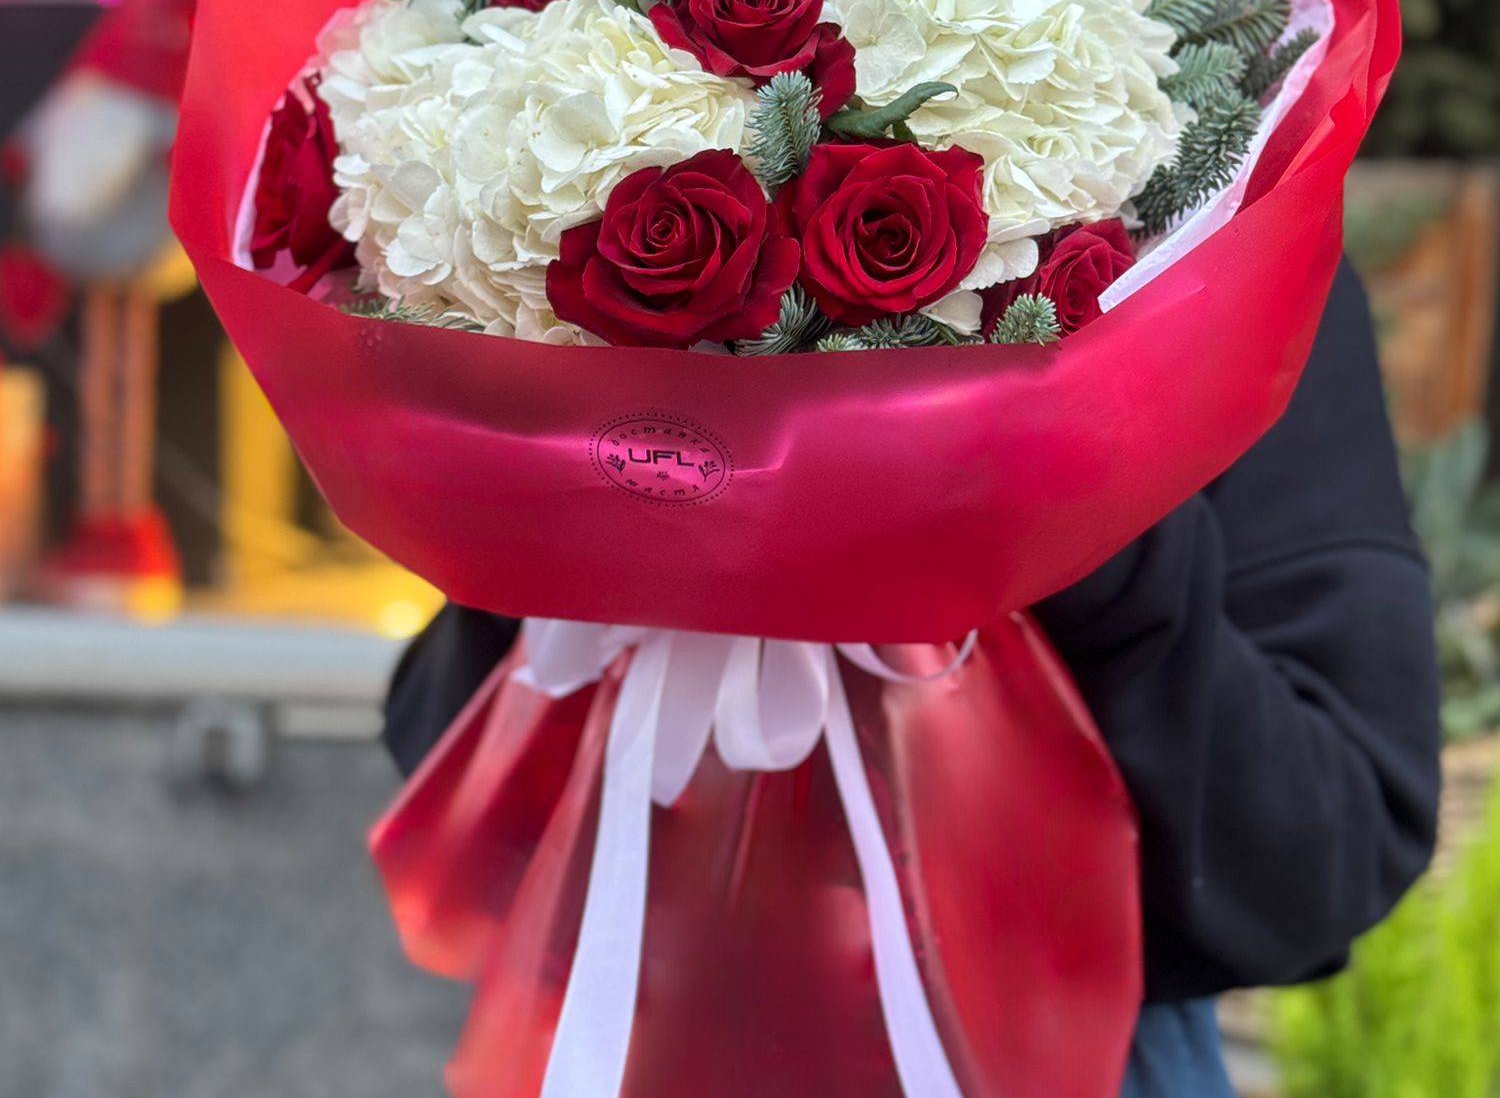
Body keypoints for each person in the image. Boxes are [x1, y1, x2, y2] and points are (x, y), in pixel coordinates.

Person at [381, 259, 1442, 1098]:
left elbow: (1332, 849)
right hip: (630, 1033)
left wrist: (1079, 512)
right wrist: (574, 487)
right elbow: (456, 774)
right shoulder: (583, 269)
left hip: (1068, 1058)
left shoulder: (1212, 256)